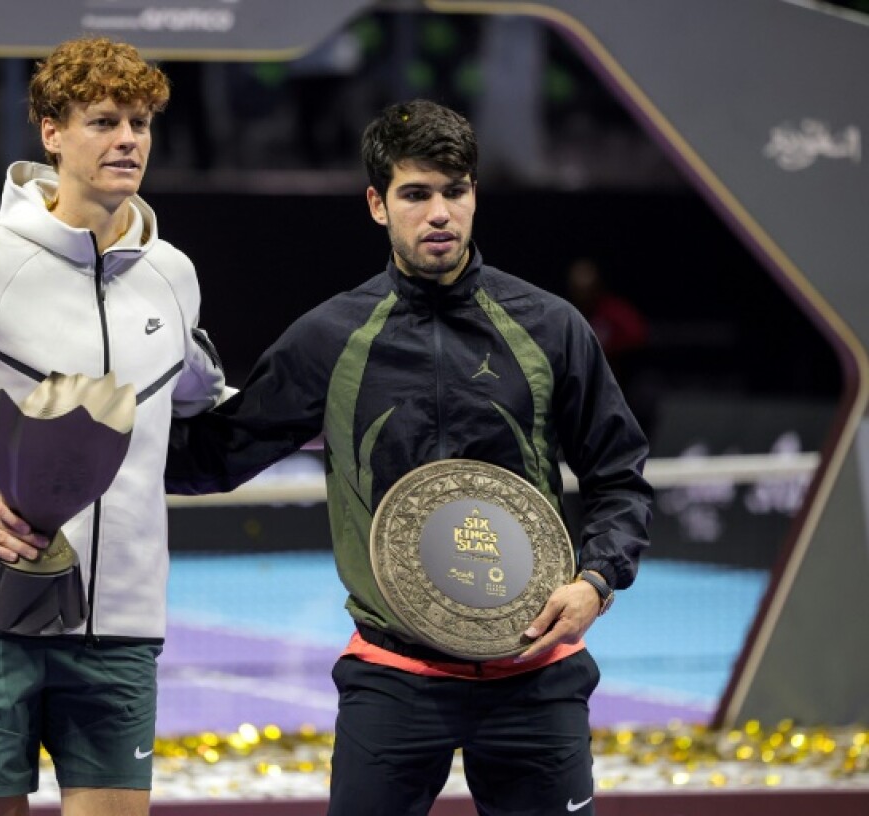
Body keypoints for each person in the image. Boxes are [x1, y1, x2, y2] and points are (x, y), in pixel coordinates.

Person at [165, 99, 652, 816]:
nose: (439, 214)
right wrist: (108, 420)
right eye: (416, 194)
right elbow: (213, 457)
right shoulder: (329, 339)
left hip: (535, 679)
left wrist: (597, 582)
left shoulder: (550, 328)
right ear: (376, 203)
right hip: (394, 679)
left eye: (455, 191)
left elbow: (620, 478)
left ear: (475, 195)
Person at [0, 37, 226, 816]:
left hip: (121, 629)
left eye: (141, 122)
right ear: (51, 133)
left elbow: (204, 402)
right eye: (103, 121)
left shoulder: (176, 275)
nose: (128, 138)